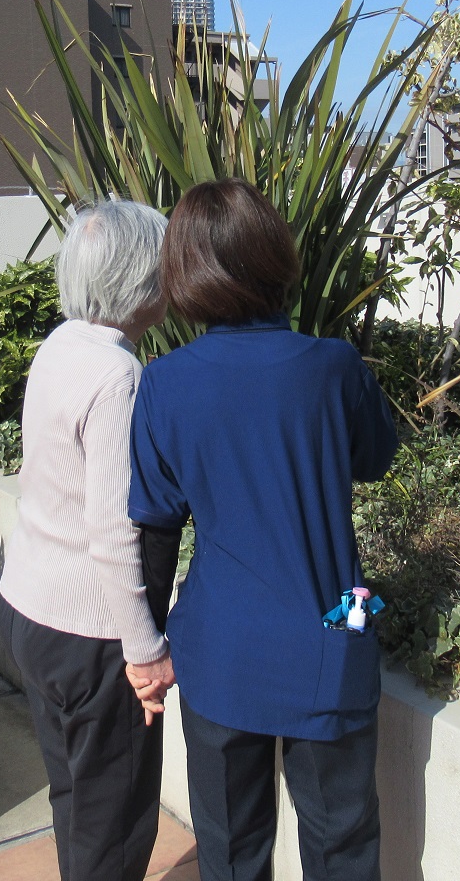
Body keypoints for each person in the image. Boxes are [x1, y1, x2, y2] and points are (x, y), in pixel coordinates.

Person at [127, 178, 398, 881]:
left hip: (220, 650)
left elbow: (155, 532)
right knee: (343, 847)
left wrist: (148, 651)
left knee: (230, 852)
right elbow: (375, 458)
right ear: (275, 254)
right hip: (333, 636)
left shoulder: (164, 383)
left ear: (184, 271)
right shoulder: (334, 366)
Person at [0, 199, 179, 881]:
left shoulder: (60, 345)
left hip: (29, 608)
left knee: (75, 800)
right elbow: (112, 528)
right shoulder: (118, 376)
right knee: (117, 825)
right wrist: (145, 650)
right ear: (140, 279)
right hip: (90, 636)